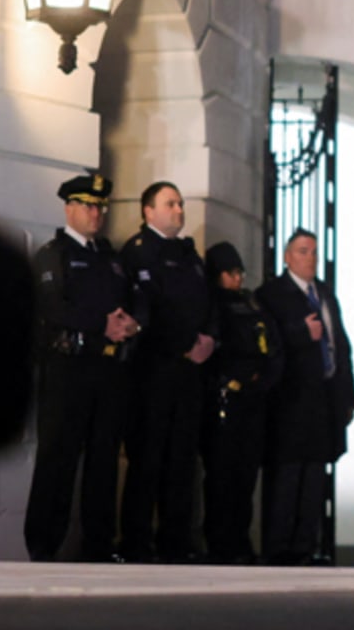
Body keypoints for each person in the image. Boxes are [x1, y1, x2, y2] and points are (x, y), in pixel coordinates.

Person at [24, 172, 139, 562]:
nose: (96, 214)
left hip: (108, 371)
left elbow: (134, 301)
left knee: (104, 460)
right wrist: (101, 324)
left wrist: (133, 325)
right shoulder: (53, 254)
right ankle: (43, 546)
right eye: (89, 206)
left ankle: (99, 547)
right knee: (58, 457)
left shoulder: (110, 258)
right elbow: (52, 306)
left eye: (100, 207)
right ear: (69, 208)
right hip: (67, 369)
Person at [118, 181, 216, 562]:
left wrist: (210, 339)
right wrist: (185, 343)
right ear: (149, 211)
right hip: (152, 372)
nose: (179, 210)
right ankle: (136, 544)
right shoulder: (138, 252)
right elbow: (149, 312)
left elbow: (208, 304)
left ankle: (175, 543)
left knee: (182, 461)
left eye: (180, 203)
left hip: (189, 374)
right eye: (170, 203)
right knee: (148, 459)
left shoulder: (189, 255)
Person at [256, 228, 354, 566]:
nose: (310, 258)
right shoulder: (272, 294)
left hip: (323, 399)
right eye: (302, 251)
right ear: (287, 257)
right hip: (289, 400)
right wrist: (302, 333)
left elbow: (341, 346)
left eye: (313, 251)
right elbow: (268, 343)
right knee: (288, 474)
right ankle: (279, 549)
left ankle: (305, 547)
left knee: (315, 474)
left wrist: (348, 397)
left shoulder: (325, 293)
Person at [199, 241, 282, 564]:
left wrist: (263, 379)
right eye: (229, 273)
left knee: (246, 476)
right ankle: (220, 543)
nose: (237, 279)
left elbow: (272, 346)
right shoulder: (212, 306)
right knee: (222, 475)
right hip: (224, 401)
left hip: (253, 401)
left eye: (239, 273)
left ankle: (240, 541)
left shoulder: (252, 304)